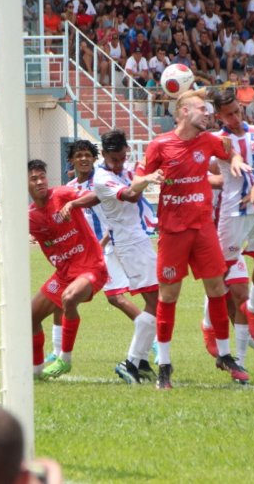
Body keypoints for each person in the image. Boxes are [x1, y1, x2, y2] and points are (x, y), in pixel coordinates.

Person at [130, 88, 250, 389]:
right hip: (173, 231)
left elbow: (228, 149)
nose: (207, 113)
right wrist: (146, 179)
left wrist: (234, 159)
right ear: (184, 112)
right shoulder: (160, 145)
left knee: (217, 287)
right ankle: (165, 365)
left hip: (203, 229)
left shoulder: (208, 141)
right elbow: (135, 183)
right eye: (201, 108)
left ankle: (224, 355)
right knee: (169, 297)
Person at [200, 89, 254, 383]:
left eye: (238, 111)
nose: (236, 118)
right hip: (231, 216)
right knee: (220, 275)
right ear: (218, 116)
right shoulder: (215, 141)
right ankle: (210, 325)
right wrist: (229, 170)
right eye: (229, 114)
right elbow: (219, 167)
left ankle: (251, 314)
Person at [43, 140, 143, 365]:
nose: (84, 159)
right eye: (79, 155)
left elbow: (109, 217)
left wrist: (101, 242)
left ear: (94, 158)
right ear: (71, 160)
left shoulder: (100, 182)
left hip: (102, 250)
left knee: (116, 297)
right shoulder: (69, 187)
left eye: (88, 155)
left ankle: (152, 338)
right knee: (61, 296)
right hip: (80, 254)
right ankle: (57, 351)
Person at [28, 159, 108, 379]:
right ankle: (35, 371)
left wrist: (74, 204)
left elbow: (97, 195)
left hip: (92, 266)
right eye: (34, 178)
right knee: (30, 318)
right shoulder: (30, 216)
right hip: (63, 273)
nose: (40, 181)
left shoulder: (62, 194)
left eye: (42, 176)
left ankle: (65, 359)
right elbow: (4, 241)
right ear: (25, 183)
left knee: (69, 298)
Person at [93, 130, 160, 384]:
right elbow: (131, 195)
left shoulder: (126, 170)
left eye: (122, 157)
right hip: (129, 244)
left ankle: (139, 361)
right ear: (104, 155)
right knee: (157, 303)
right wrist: (149, 178)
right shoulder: (102, 178)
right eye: (114, 159)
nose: (119, 163)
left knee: (157, 303)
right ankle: (131, 362)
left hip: (137, 240)